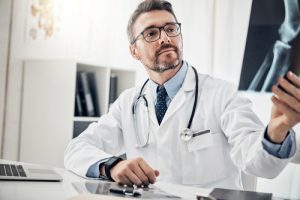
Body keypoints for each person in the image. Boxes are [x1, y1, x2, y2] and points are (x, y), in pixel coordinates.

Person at [64, 0, 299, 190]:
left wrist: (276, 132)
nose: (165, 38)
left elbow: (259, 164)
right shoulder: (129, 102)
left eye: (170, 28)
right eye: (151, 33)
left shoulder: (222, 94)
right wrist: (111, 166)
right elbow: (77, 149)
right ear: (134, 51)